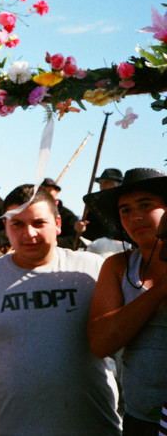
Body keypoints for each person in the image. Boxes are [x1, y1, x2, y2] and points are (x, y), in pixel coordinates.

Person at [0, 184, 121, 435]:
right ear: (5, 227)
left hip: (93, 425)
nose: (29, 233)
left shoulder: (92, 268)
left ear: (57, 224)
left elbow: (126, 342)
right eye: (18, 224)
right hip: (12, 428)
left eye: (38, 222)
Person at [85, 168, 167, 434]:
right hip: (138, 417)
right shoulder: (118, 266)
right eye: (125, 210)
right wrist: (159, 291)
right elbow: (100, 342)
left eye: (146, 205)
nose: (136, 217)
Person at [80, 168, 123, 242]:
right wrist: (80, 228)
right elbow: (88, 232)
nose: (102, 186)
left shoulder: (125, 204)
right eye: (100, 183)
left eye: (107, 182)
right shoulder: (94, 206)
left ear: (118, 185)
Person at [41, 177, 82, 248]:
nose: (46, 194)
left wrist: (55, 242)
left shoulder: (67, 215)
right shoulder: (32, 212)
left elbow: (75, 239)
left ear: (57, 192)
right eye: (43, 191)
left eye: (49, 191)